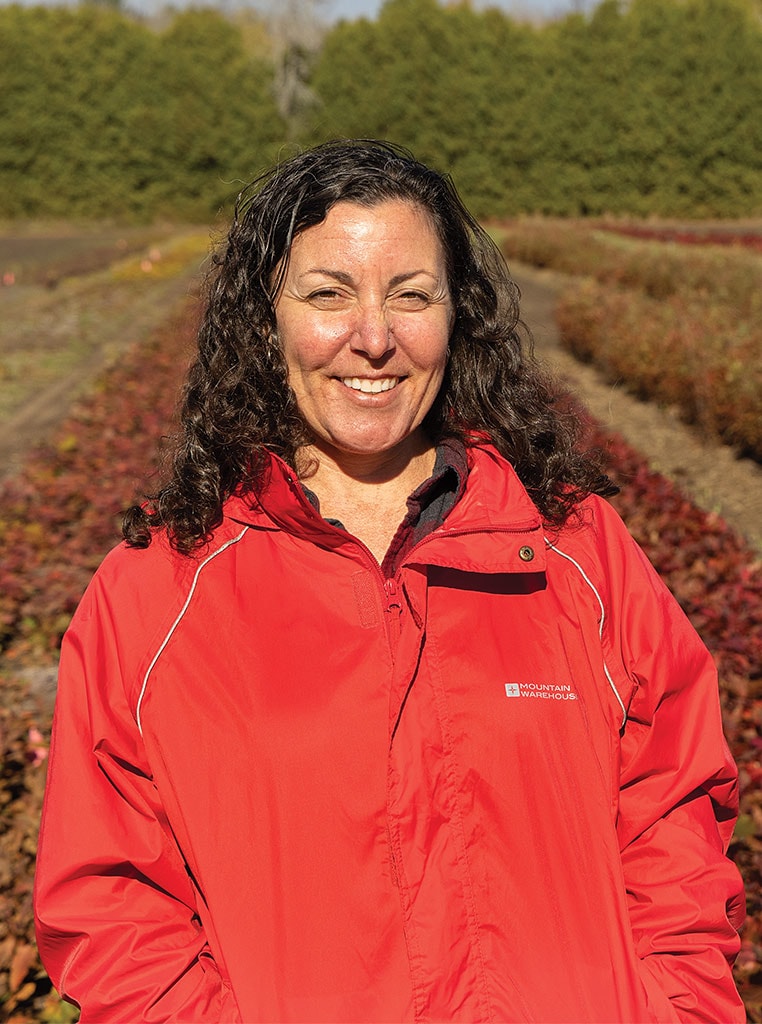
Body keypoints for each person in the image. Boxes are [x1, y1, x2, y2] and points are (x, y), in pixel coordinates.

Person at [34, 139, 745, 1023]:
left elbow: (674, 820)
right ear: (266, 320)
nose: (373, 338)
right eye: (328, 293)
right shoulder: (157, 593)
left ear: (459, 317)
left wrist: (678, 1009)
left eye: (412, 296)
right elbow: (111, 905)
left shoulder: (577, 553)